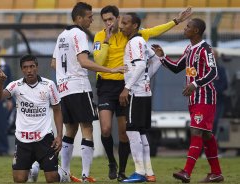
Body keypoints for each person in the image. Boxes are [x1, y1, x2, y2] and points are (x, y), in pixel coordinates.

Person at [93, 5, 192, 181]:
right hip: (110, 85)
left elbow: (153, 34)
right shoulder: (101, 36)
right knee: (111, 129)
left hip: (127, 86)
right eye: (105, 20)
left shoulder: (134, 38)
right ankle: (118, 164)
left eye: (112, 19)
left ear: (118, 19)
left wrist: (176, 21)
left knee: (129, 132)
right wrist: (107, 39)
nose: (109, 23)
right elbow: (99, 60)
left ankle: (131, 171)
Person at [51, 2, 125, 182]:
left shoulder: (62, 35)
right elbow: (84, 61)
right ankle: (85, 174)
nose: (92, 20)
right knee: (87, 128)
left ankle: (65, 172)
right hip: (78, 86)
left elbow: (53, 64)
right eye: (90, 16)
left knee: (70, 129)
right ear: (79, 18)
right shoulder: (79, 34)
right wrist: (111, 70)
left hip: (63, 88)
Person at [153, 18, 224, 183]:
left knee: (196, 131)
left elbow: (214, 73)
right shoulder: (189, 49)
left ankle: (186, 171)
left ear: (196, 31)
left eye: (188, 27)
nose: (185, 29)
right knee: (206, 135)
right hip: (193, 98)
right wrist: (162, 58)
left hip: (205, 97)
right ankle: (216, 173)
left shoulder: (206, 49)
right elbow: (178, 67)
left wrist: (195, 83)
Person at [0, 54, 66, 183]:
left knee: (52, 179)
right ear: (22, 69)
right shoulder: (15, 85)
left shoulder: (49, 85)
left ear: (37, 67)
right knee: (19, 179)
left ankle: (63, 175)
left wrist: (59, 136)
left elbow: (57, 110)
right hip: (23, 140)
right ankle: (33, 168)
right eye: (25, 67)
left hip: (44, 139)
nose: (29, 70)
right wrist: (0, 83)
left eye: (32, 66)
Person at [118, 13, 163, 183]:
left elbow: (141, 65)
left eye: (125, 23)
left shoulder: (134, 42)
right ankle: (149, 172)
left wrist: (126, 88)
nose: (121, 26)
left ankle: (139, 172)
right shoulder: (142, 42)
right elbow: (154, 63)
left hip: (135, 93)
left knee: (131, 130)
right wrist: (160, 57)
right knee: (141, 133)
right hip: (145, 91)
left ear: (135, 26)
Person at [212, 49, 228, 137]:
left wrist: (214, 90)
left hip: (218, 101)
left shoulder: (221, 70)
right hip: (205, 101)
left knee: (215, 121)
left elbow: (225, 85)